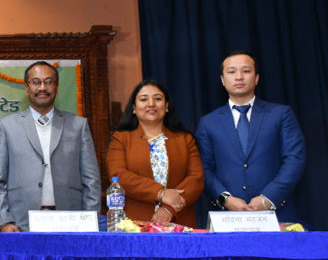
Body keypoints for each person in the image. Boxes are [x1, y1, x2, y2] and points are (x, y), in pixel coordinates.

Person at [0, 61, 101, 232]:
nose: (42, 87)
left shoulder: (78, 126)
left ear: (57, 87)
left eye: (49, 82)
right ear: (26, 88)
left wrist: (90, 223)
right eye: (36, 82)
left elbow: (91, 181)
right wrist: (4, 222)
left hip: (71, 223)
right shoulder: (7, 127)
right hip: (21, 224)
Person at [196, 51, 306, 214]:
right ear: (222, 80)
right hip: (227, 215)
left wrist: (268, 198)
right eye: (232, 72)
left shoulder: (281, 114)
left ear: (256, 78)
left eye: (246, 71)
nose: (239, 77)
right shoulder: (208, 122)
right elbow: (203, 167)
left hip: (276, 213)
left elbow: (294, 159)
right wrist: (226, 199)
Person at [106, 79, 204, 226]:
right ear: (134, 108)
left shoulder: (185, 139)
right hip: (135, 224)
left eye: (157, 99)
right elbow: (118, 175)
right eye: (143, 99)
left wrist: (168, 209)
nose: (151, 104)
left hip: (179, 223)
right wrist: (160, 193)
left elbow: (196, 179)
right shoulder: (120, 138)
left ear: (167, 106)